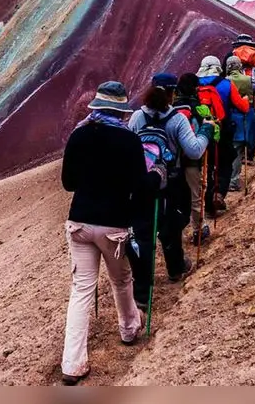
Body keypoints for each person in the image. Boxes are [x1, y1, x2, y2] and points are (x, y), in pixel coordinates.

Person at [59, 81, 151, 385]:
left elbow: (68, 183)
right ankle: (128, 329)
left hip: (79, 222)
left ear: (96, 108)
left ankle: (72, 364)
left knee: (81, 289)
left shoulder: (79, 134)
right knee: (121, 279)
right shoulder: (128, 140)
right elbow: (139, 186)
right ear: (121, 111)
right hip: (113, 224)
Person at [126, 73, 214, 306]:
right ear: (172, 93)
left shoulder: (137, 116)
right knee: (171, 226)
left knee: (143, 234)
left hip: (141, 182)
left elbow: (130, 144)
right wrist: (206, 131)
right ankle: (175, 267)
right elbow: (194, 151)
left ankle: (142, 292)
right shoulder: (177, 119)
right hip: (169, 182)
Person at [196, 56, 249, 224]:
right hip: (223, 130)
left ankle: (205, 202)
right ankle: (218, 193)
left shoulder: (195, 85)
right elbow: (242, 107)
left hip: (200, 132)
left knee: (206, 166)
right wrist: (246, 99)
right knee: (224, 162)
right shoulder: (226, 84)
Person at [173, 73, 212, 243]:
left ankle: (174, 233)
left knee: (174, 197)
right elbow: (211, 132)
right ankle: (198, 229)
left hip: (171, 162)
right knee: (196, 195)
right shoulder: (199, 109)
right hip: (192, 160)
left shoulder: (170, 108)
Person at [225, 56, 255, 191]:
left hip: (229, 117)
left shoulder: (225, 81)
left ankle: (226, 180)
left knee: (230, 148)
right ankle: (233, 181)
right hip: (245, 116)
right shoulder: (248, 79)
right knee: (239, 149)